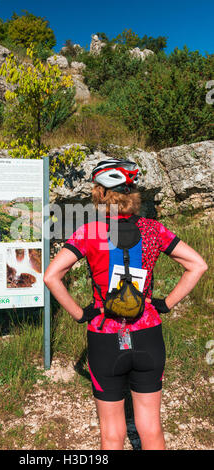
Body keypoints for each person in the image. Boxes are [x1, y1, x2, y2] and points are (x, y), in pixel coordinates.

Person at [43, 159, 208, 451]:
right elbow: (198, 265)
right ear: (132, 196)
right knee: (151, 427)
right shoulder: (153, 229)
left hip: (105, 337)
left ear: (101, 195)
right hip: (148, 335)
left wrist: (81, 314)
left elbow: (52, 276)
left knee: (111, 435)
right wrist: (166, 304)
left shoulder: (91, 232)